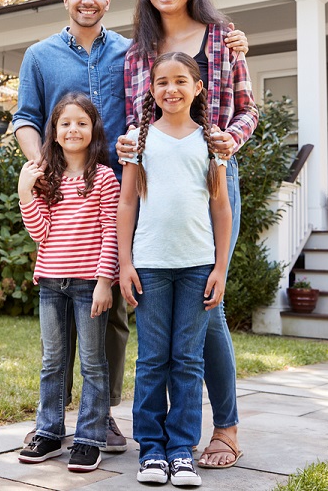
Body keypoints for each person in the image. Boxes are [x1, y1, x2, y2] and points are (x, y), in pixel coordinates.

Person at [12, 0, 248, 453]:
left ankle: (212, 427)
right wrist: (45, 171)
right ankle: (79, 421)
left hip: (179, 178)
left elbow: (239, 105)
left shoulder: (185, 43)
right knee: (108, 300)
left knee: (191, 303)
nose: (87, 0)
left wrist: (228, 140)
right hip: (106, 190)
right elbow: (31, 119)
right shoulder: (96, 52)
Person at [117, 0, 259, 470]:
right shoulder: (138, 52)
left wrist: (228, 142)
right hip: (156, 179)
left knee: (209, 302)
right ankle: (164, 441)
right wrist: (127, 149)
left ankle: (225, 428)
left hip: (213, 171)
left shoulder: (223, 37)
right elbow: (135, 120)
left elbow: (248, 109)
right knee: (162, 345)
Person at [118, 52, 232, 486]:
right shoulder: (138, 140)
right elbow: (127, 203)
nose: (171, 89)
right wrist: (125, 263)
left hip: (197, 266)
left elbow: (220, 208)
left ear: (198, 88)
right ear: (151, 89)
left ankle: (182, 449)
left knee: (186, 359)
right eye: (162, 81)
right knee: (151, 359)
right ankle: (151, 449)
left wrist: (220, 267)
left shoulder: (211, 142)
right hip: (150, 266)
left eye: (181, 81)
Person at [17, 93, 119, 473]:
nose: (73, 129)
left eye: (81, 122)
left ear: (93, 130)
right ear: (54, 133)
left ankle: (90, 437)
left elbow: (111, 232)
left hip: (88, 283)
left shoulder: (104, 177)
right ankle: (49, 432)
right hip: (50, 283)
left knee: (93, 362)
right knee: (52, 362)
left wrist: (104, 281)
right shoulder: (46, 178)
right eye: (65, 123)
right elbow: (40, 232)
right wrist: (25, 191)